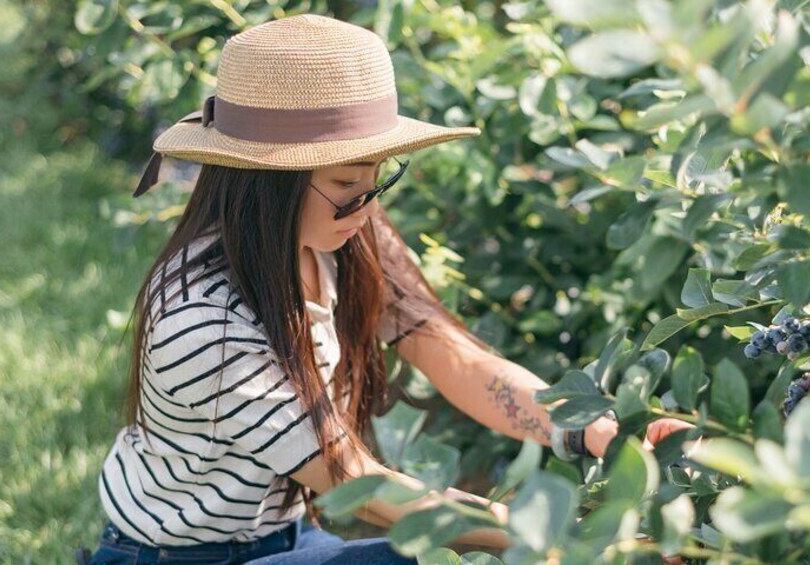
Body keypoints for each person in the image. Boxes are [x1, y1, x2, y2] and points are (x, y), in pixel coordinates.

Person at [83, 13, 691, 565]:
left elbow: (454, 357)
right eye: (349, 182)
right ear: (269, 182)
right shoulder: (204, 321)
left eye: (379, 178)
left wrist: (592, 429)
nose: (368, 206)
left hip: (285, 534)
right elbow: (356, 483)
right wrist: (558, 536)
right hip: (177, 556)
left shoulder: (342, 233)